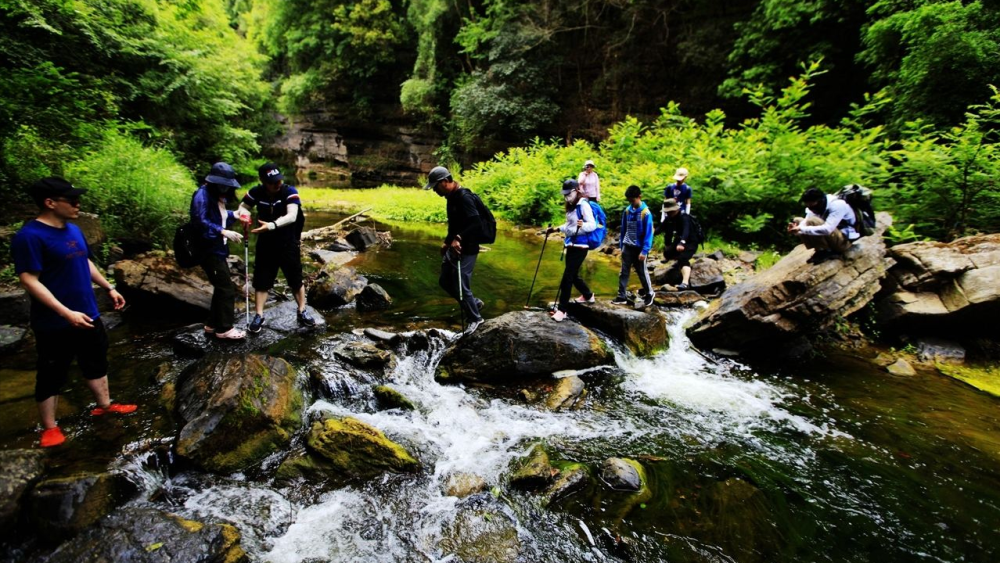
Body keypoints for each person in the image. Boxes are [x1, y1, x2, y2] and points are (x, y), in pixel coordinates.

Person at [11, 177, 136, 448]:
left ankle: (104, 405)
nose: (78, 204)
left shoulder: (74, 230)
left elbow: (86, 261)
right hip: (54, 321)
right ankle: (50, 427)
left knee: (96, 359)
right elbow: (29, 280)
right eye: (72, 200)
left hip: (89, 312)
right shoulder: (29, 237)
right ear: (50, 203)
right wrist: (66, 313)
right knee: (51, 371)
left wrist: (108, 287)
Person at [237, 163, 316, 333]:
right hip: (266, 243)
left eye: (278, 180)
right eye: (272, 182)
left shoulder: (289, 191)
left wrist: (272, 225)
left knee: (295, 277)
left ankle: (302, 310)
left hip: (288, 241)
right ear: (263, 181)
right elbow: (243, 207)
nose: (277, 184)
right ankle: (259, 315)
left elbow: (292, 216)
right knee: (261, 279)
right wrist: (245, 216)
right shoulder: (256, 192)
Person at [424, 165, 489, 335]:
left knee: (461, 283)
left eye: (435, 186)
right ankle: (474, 303)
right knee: (445, 281)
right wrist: (447, 242)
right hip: (454, 245)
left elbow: (475, 222)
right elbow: (454, 224)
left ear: (445, 182)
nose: (434, 191)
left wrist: (458, 238)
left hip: (467, 247)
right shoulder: (451, 198)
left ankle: (476, 319)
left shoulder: (464, 197)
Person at [190, 162, 246, 339]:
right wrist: (222, 231)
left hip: (217, 248)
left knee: (221, 287)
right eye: (223, 185)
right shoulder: (202, 196)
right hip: (207, 250)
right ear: (214, 182)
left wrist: (235, 215)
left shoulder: (216, 197)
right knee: (226, 289)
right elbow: (200, 221)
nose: (225, 189)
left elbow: (220, 217)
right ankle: (224, 329)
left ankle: (212, 325)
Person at [545, 179, 596, 322]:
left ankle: (562, 310)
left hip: (581, 246)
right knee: (573, 275)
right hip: (571, 245)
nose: (566, 196)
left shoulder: (583, 205)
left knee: (567, 277)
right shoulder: (571, 206)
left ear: (576, 191)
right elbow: (569, 225)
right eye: (565, 194)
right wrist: (555, 229)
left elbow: (592, 225)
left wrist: (583, 225)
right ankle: (588, 295)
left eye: (569, 193)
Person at [787, 187, 860, 264]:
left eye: (812, 204)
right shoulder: (813, 208)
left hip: (844, 241)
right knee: (797, 220)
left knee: (812, 220)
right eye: (808, 205)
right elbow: (803, 225)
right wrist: (795, 230)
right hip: (832, 237)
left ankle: (826, 250)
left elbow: (827, 229)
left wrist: (801, 229)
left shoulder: (837, 205)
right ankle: (820, 250)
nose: (810, 207)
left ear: (820, 201)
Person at [613, 185, 655, 308]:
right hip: (627, 245)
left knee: (642, 272)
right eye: (629, 201)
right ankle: (621, 296)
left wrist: (645, 251)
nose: (631, 203)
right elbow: (623, 229)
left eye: (633, 200)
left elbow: (649, 234)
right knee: (624, 272)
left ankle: (649, 293)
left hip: (639, 248)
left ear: (639, 197)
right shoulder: (627, 211)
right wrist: (622, 246)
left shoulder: (646, 213)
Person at [659, 198, 702, 290]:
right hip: (679, 240)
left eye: (670, 211)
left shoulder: (684, 217)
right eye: (667, 211)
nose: (669, 213)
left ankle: (685, 283)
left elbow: (686, 231)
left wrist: (682, 243)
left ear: (676, 209)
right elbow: (659, 229)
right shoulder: (669, 218)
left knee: (683, 259)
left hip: (691, 241)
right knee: (667, 252)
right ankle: (676, 260)